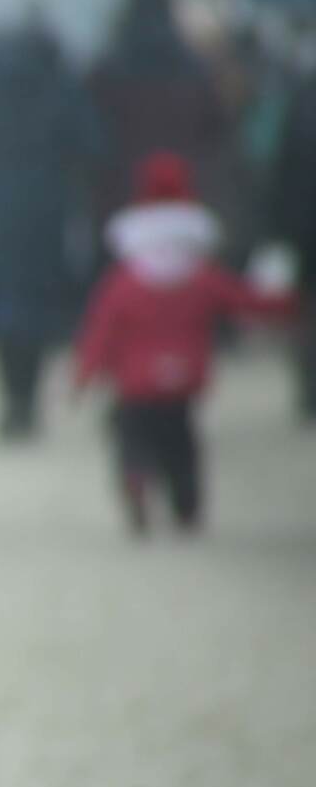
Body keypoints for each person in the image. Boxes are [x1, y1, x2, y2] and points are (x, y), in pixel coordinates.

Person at [73, 153, 298, 534]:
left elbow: (101, 328)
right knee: (182, 448)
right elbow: (245, 300)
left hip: (135, 384)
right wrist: (291, 303)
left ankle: (135, 473)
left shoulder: (124, 282)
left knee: (132, 437)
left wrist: (85, 372)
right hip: (183, 380)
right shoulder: (201, 276)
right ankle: (186, 507)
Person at [0, 20, 103, 440]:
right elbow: (92, 142)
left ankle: (10, 399)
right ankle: (28, 399)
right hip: (46, 207)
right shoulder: (59, 87)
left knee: (1, 303)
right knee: (35, 305)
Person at [86, 0, 228, 272]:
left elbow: (92, 135)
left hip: (123, 191)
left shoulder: (105, 70)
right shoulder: (194, 69)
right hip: (183, 186)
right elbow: (217, 131)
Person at [269, 65, 316, 420]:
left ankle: (310, 388)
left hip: (304, 227)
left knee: (307, 311)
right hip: (304, 224)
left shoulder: (300, 104)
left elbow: (281, 171)